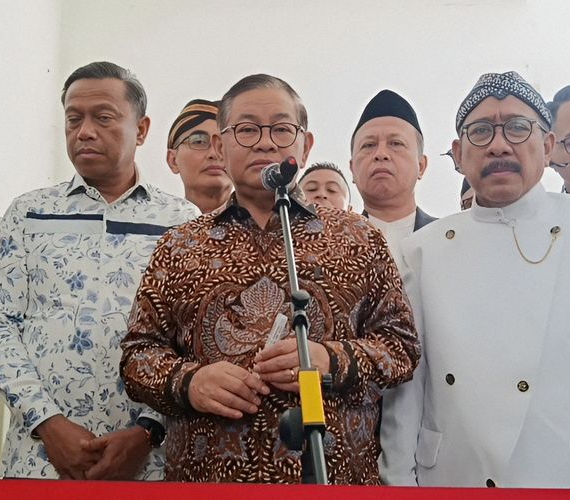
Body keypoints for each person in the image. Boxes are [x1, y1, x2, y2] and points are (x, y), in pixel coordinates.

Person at [120, 74, 420, 484]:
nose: (265, 143)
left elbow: (401, 348)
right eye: (247, 130)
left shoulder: (358, 237)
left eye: (281, 129)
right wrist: (189, 383)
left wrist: (331, 360)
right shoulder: (180, 245)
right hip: (207, 481)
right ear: (220, 146)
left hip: (333, 479)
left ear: (305, 145)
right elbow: (137, 356)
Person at [380, 71, 570, 488]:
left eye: (517, 127)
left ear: (547, 147)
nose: (499, 144)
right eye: (481, 131)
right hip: (457, 476)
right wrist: (399, 484)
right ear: (458, 154)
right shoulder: (422, 250)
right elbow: (407, 390)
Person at [0, 62, 199, 480]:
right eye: (73, 119)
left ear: (142, 129)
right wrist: (48, 423)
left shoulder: (181, 222)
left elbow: (192, 339)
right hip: (39, 459)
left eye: (103, 117)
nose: (85, 132)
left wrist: (147, 432)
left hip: (147, 465)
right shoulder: (30, 213)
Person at [350, 90, 435, 263]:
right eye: (369, 145)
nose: (381, 154)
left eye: (396, 143)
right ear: (352, 168)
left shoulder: (449, 239)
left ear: (421, 166)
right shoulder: (330, 245)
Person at [166, 99, 232, 213]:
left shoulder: (263, 221)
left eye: (224, 144)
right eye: (199, 141)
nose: (214, 154)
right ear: (173, 160)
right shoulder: (153, 222)